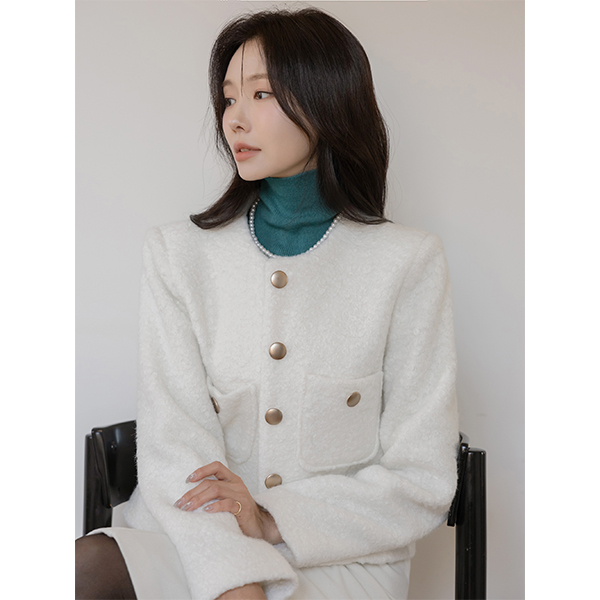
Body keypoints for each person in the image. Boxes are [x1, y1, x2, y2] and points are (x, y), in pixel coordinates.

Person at [75, 7, 459, 600]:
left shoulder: (407, 262)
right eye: (229, 98)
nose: (235, 118)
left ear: (327, 102)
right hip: (195, 541)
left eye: (261, 94)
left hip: (340, 558)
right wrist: (233, 578)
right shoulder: (178, 254)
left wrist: (273, 518)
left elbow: (421, 477)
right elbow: (175, 446)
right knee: (83, 569)